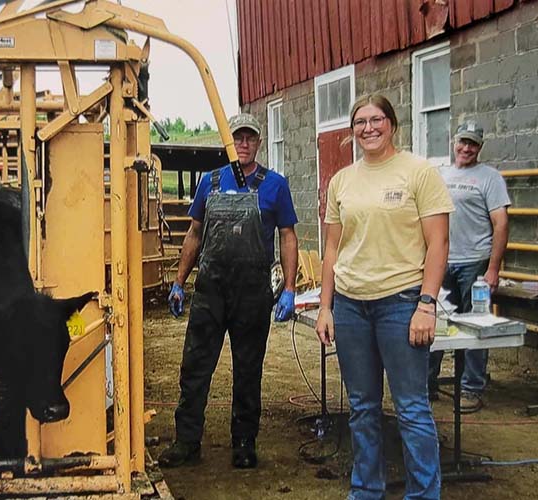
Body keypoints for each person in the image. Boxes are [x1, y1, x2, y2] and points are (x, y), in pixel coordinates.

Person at [316, 94, 453, 499]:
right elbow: (332, 251)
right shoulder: (342, 181)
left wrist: (426, 304)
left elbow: (439, 243)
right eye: (360, 121)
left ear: (392, 124)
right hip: (351, 307)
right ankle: (365, 491)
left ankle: (423, 494)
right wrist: (326, 307)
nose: (368, 128)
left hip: (401, 303)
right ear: (352, 130)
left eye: (377, 119)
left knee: (411, 408)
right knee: (362, 408)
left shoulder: (418, 172)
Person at [159, 112, 298, 469]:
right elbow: (194, 233)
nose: (244, 143)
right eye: (238, 137)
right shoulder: (210, 182)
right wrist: (179, 281)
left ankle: (244, 442)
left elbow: (287, 236)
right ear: (230, 141)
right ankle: (187, 441)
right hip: (211, 289)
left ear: (259, 142)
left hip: (252, 291)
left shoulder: (275, 185)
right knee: (194, 367)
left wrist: (289, 288)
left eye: (250, 137)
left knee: (248, 369)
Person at [428, 122, 510, 413]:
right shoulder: (440, 175)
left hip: (474, 263)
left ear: (480, 148)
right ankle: (428, 384)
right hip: (442, 261)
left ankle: (471, 388)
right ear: (454, 142)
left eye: (472, 144)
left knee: (474, 327)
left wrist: (493, 269)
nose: (466, 148)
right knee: (435, 322)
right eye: (463, 142)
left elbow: (501, 224)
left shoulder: (490, 178)